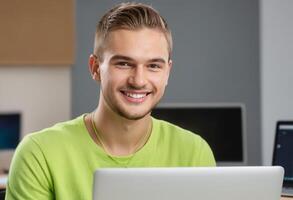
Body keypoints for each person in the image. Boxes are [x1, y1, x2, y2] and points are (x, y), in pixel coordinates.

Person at [5, 2, 215, 200]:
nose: (139, 80)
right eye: (124, 63)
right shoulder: (39, 154)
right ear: (95, 68)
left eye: (153, 66)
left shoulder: (194, 153)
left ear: (167, 72)